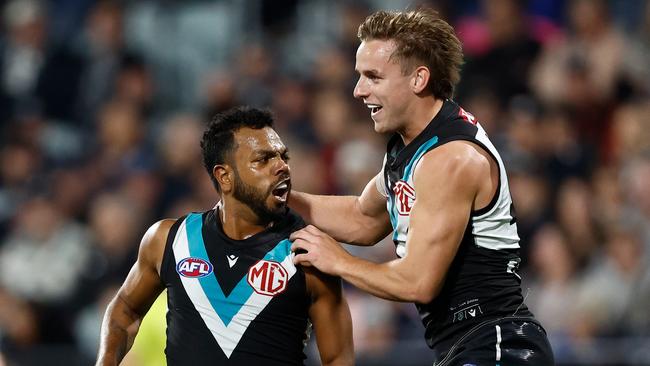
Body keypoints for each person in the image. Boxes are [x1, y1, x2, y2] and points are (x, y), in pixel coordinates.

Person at [289, 8, 554, 366]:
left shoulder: (451, 158)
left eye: (373, 76)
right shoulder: (411, 147)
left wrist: (338, 261)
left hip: (498, 346)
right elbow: (363, 219)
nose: (358, 90)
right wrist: (279, 200)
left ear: (418, 79)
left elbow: (418, 281)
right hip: (467, 347)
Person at [96, 107, 354, 365]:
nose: (282, 166)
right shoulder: (169, 239)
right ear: (225, 176)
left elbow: (338, 358)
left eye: (283, 156)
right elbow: (124, 311)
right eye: (263, 160)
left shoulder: (309, 251)